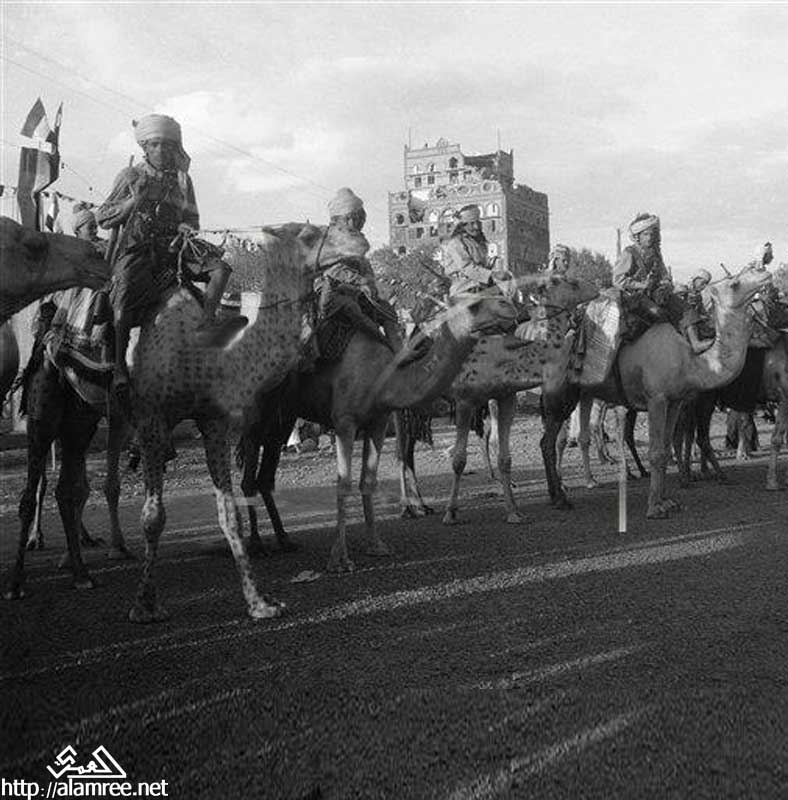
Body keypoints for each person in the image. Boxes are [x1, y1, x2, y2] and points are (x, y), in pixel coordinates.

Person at [96, 113, 246, 401]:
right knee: (123, 295)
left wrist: (186, 226)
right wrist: (132, 201)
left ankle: (207, 323)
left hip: (175, 247)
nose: (162, 150)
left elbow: (193, 218)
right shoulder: (130, 176)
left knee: (221, 269)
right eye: (155, 144)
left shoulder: (183, 179)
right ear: (145, 147)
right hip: (138, 247)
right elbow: (102, 217)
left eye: (167, 145)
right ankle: (119, 368)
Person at [317, 187, 418, 364]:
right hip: (330, 290)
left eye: (360, 217)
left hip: (355, 291)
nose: (360, 221)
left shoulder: (354, 240)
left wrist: (372, 286)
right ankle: (384, 343)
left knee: (385, 309)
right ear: (345, 217)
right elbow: (333, 270)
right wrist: (361, 281)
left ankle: (399, 351)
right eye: (356, 217)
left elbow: (364, 268)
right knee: (352, 309)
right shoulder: (328, 239)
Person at [613, 213, 674, 325]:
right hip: (633, 297)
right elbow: (617, 280)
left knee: (681, 309)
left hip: (654, 295)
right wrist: (641, 285)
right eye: (645, 234)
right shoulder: (629, 253)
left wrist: (665, 285)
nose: (649, 238)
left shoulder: (656, 254)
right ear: (637, 237)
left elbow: (664, 275)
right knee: (659, 314)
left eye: (652, 234)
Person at [441, 205, 509, 295]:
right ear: (463, 226)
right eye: (472, 224)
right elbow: (467, 268)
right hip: (463, 291)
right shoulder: (456, 243)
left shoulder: (479, 243)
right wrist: (492, 275)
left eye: (478, 223)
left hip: (483, 290)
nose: (476, 227)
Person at [680, 268, 715, 354]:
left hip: (694, 318)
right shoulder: (683, 289)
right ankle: (695, 343)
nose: (704, 286)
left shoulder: (698, 296)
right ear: (695, 279)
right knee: (690, 312)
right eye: (702, 283)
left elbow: (701, 309)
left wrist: (706, 317)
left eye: (706, 284)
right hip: (682, 317)